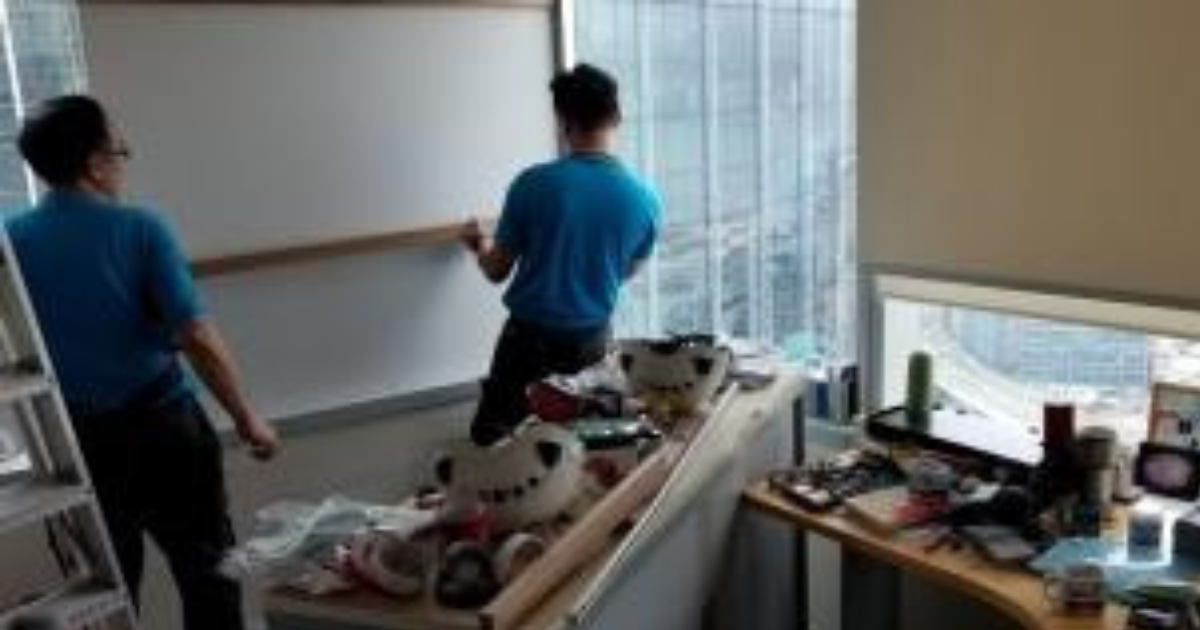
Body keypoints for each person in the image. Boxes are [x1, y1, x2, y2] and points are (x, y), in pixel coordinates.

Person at [5, 95, 279, 630]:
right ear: (92, 162)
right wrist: (248, 418)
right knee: (208, 572)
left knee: (110, 585)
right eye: (119, 149)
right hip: (164, 430)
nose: (122, 162)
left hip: (78, 442)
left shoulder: (11, 239)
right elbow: (195, 335)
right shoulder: (139, 228)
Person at [461, 63, 661, 446]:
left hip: (529, 343)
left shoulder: (533, 185)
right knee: (583, 444)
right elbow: (626, 269)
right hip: (592, 341)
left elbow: (496, 270)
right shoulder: (645, 198)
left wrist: (478, 246)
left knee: (497, 441)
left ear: (562, 119)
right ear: (616, 116)